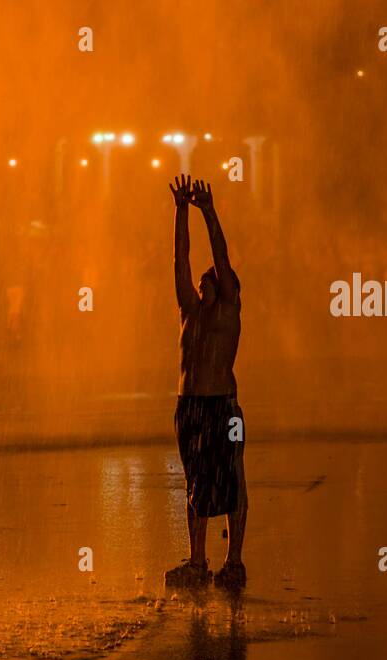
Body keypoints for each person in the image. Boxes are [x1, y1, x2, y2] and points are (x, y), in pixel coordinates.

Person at [164, 175, 247, 590]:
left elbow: (221, 256)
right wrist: (180, 211)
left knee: (231, 477)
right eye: (201, 283)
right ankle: (198, 562)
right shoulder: (190, 313)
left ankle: (234, 562)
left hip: (222, 406)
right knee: (194, 479)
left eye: (211, 281)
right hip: (190, 405)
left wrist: (209, 211)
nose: (202, 284)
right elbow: (180, 261)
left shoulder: (228, 313)